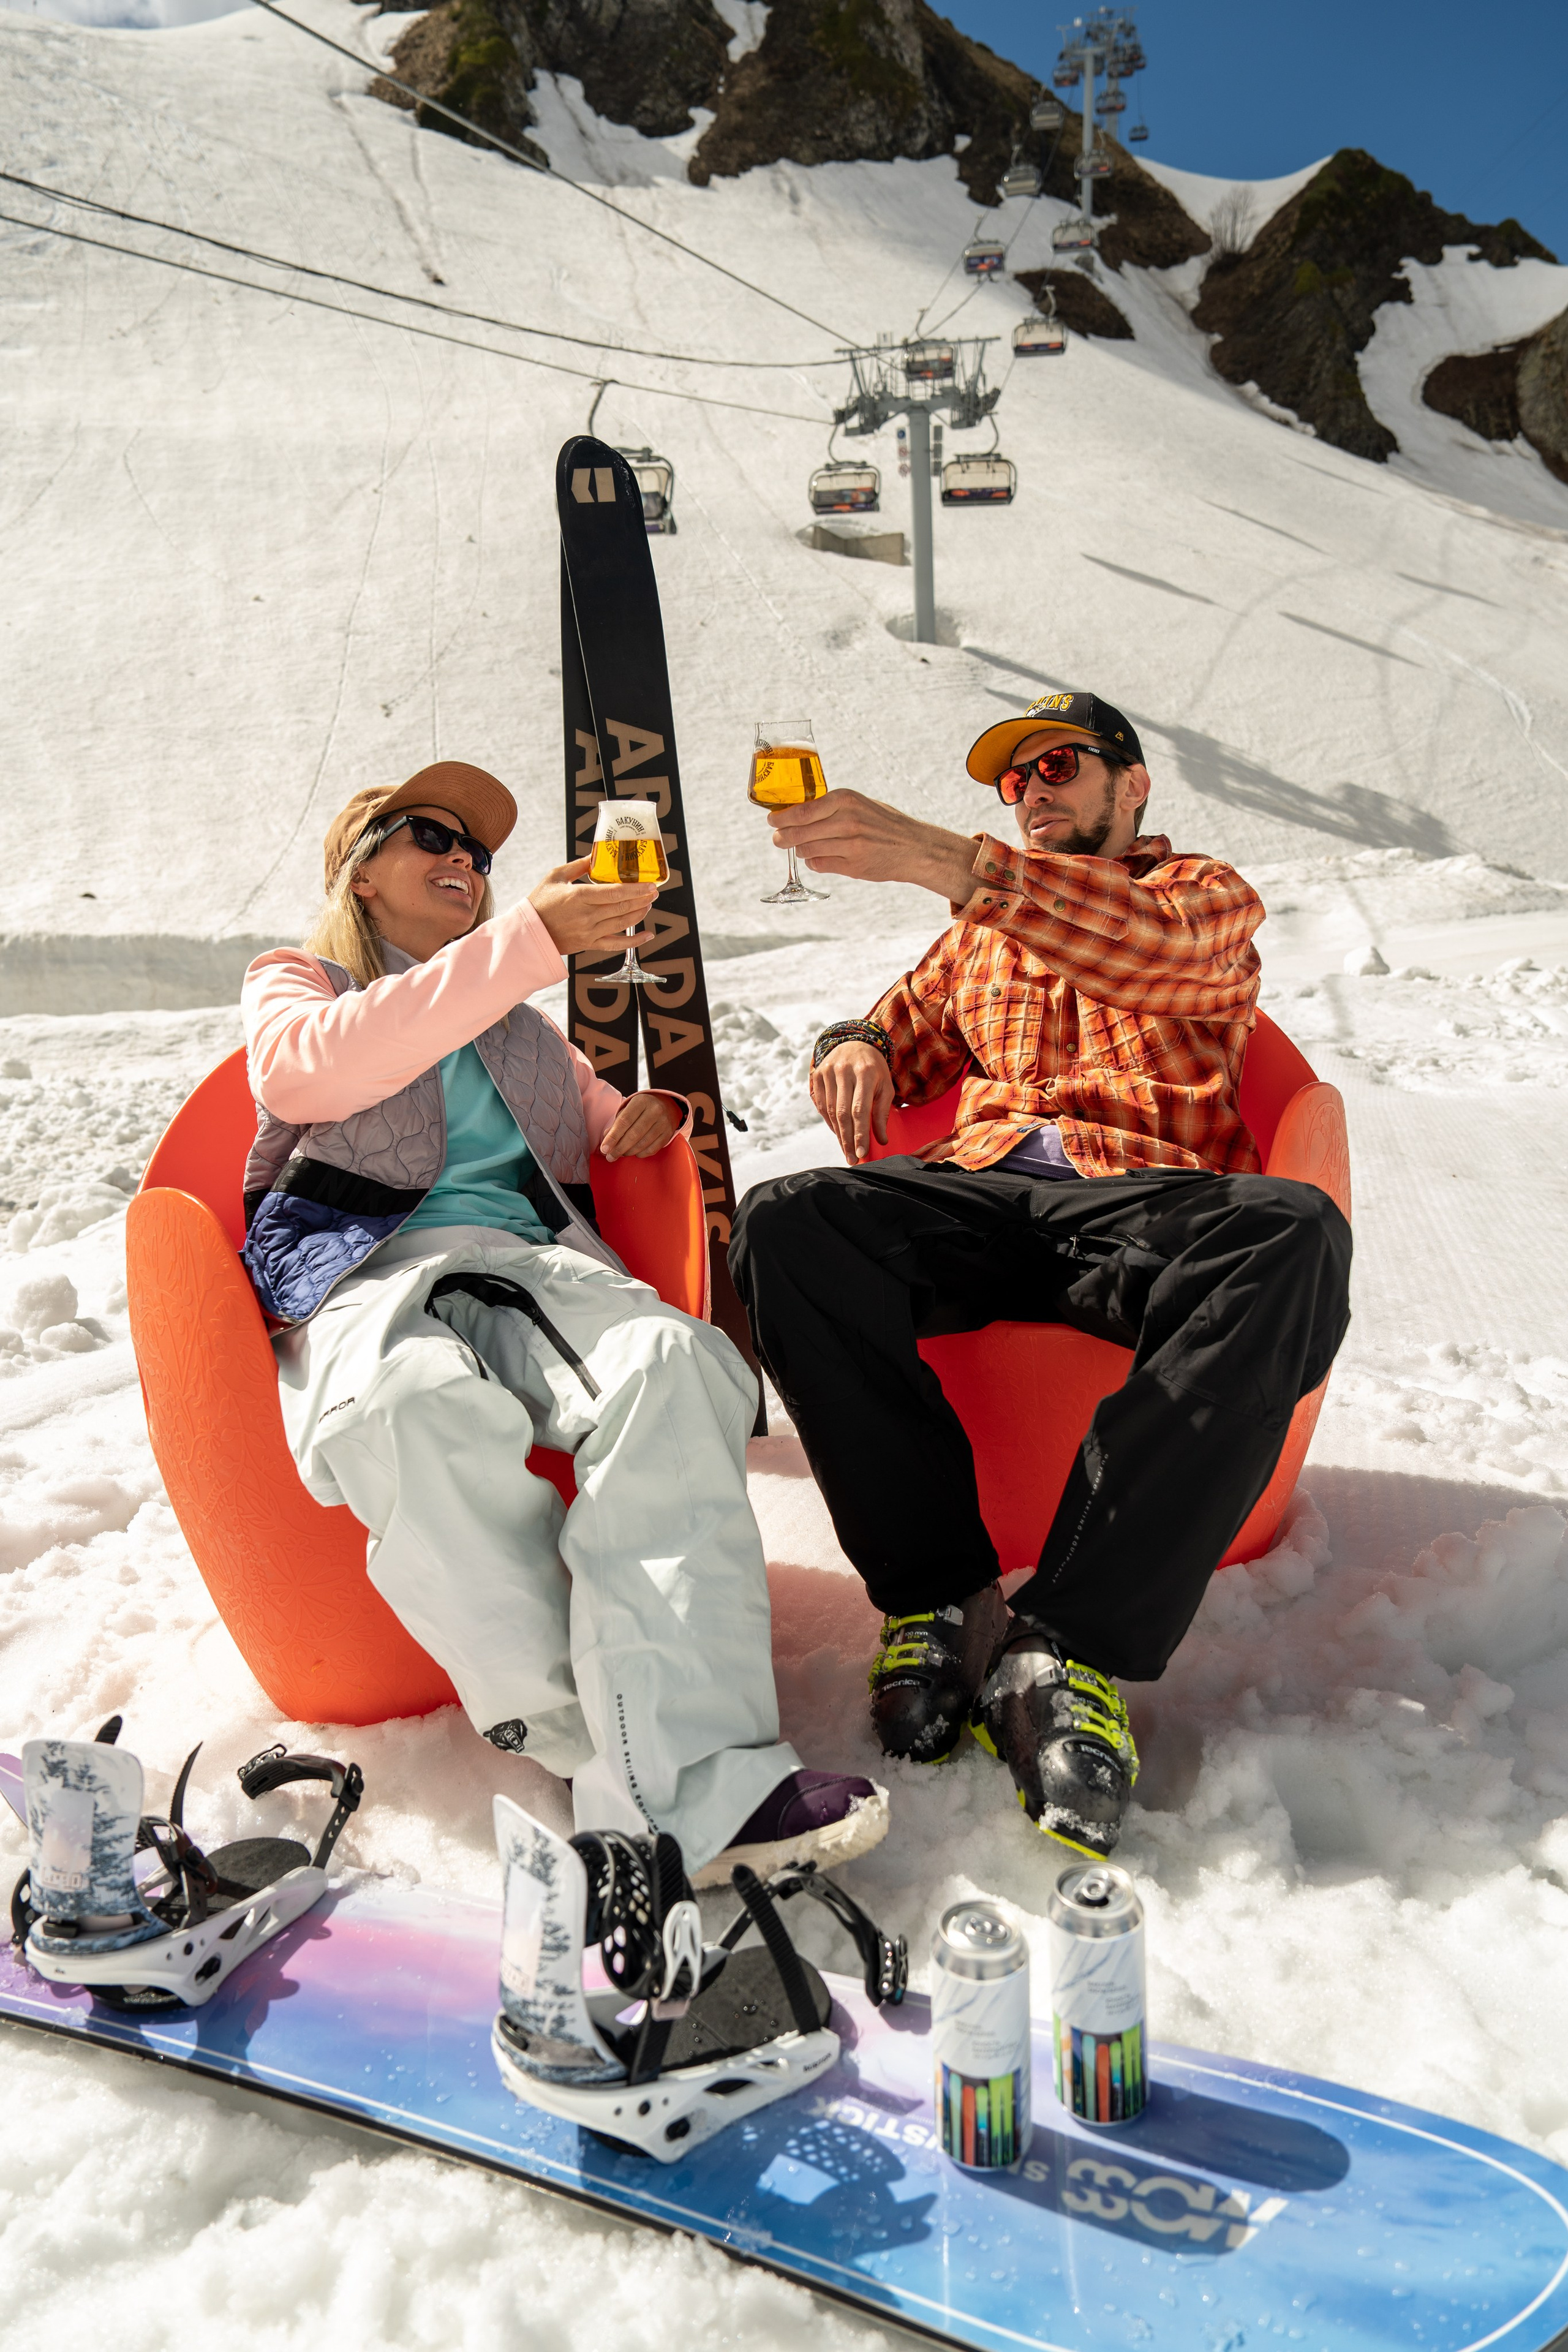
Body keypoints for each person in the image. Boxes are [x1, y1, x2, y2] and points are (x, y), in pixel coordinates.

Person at [239, 760, 886, 1885]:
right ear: (359, 870)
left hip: (532, 1267)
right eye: (430, 835)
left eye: (479, 855)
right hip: (363, 1269)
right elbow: (306, 1077)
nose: (462, 861)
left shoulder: (518, 1023)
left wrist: (646, 1114)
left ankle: (701, 1786)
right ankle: (593, 1734)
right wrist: (527, 942)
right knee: (407, 1406)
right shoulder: (300, 983)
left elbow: (596, 1115)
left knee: (675, 1365)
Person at [728, 693, 1351, 1860]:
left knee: (1293, 1234)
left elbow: (1146, 951)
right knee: (789, 1223)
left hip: (1143, 1199)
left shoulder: (1204, 896)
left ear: (1134, 785)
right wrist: (849, 1045)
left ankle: (1068, 1643)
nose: (1033, 796)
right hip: (984, 1197)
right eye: (1013, 785)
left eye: (1060, 767)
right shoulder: (977, 941)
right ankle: (939, 1596)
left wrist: (946, 859)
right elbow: (896, 1027)